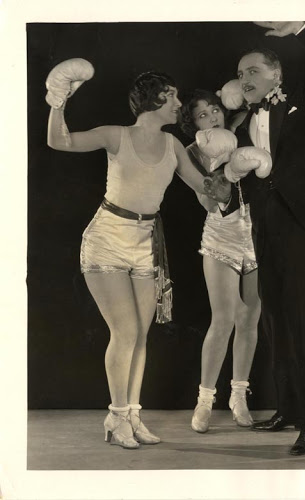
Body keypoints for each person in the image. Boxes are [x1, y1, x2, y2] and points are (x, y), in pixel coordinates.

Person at [46, 61, 229, 449]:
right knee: (125, 332)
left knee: (140, 335)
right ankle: (116, 417)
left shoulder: (173, 145)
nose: (179, 104)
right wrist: (57, 101)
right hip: (107, 238)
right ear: (156, 99)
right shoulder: (117, 135)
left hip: (145, 243)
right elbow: (59, 142)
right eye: (173, 96)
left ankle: (131, 415)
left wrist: (226, 166)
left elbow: (207, 191)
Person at [221, 21, 305, 455]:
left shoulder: (304, 99)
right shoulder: (240, 122)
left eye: (254, 70)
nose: (245, 78)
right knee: (276, 320)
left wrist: (299, 26)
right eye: (240, 73)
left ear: (276, 74)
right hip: (266, 228)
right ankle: (289, 409)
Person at [178, 89, 261, 432]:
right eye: (203, 115)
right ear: (192, 123)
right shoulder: (190, 153)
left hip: (257, 231)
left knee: (250, 317)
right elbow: (211, 203)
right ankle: (205, 400)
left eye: (214, 109)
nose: (212, 117)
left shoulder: (243, 131)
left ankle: (239, 396)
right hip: (222, 233)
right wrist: (221, 168)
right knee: (223, 319)